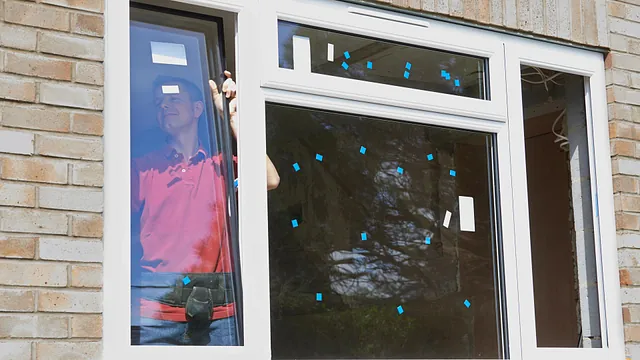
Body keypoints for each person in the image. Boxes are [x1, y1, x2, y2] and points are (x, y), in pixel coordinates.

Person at [131, 72, 279, 346]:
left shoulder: (221, 165)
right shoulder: (144, 168)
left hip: (218, 315)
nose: (163, 105)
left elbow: (270, 179)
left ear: (198, 109)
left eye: (174, 99)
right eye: (158, 102)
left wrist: (234, 119)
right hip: (155, 314)